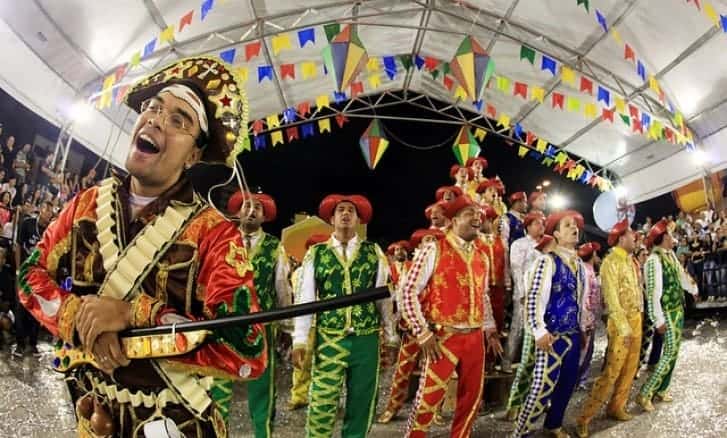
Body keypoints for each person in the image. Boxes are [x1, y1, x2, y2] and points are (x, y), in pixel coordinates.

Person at [18, 56, 270, 437]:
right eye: (153, 108)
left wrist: (135, 314)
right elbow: (28, 277)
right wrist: (81, 318)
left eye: (179, 120)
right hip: (94, 418)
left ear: (194, 155)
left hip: (176, 422)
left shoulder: (214, 234)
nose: (155, 119)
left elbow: (246, 351)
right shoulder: (86, 205)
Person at [292, 194, 397, 438]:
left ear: (359, 219)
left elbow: (384, 299)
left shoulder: (374, 252)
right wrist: (299, 339)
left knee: (362, 401)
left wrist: (391, 337)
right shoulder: (316, 254)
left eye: (351, 210)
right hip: (330, 338)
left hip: (366, 338)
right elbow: (305, 299)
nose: (346, 214)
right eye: (341, 210)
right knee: (322, 400)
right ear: (332, 217)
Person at [400, 195, 502, 438]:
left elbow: (483, 296)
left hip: (475, 338)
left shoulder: (482, 256)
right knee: (428, 399)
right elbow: (407, 291)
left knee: (471, 399)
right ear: (454, 220)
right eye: (470, 213)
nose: (478, 217)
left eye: (479, 214)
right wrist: (422, 332)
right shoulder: (434, 248)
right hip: (443, 337)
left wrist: (490, 329)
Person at [513, 210, 588, 438]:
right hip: (552, 337)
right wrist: (539, 331)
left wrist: (582, 328)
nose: (574, 229)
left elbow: (581, 301)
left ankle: (553, 424)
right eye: (567, 226)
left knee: (567, 384)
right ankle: (520, 432)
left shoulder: (579, 265)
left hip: (573, 334)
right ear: (555, 233)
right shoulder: (547, 261)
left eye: (575, 225)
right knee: (541, 387)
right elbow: (535, 297)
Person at [227, 190, 291, 438]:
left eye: (258, 208)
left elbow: (282, 288)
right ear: (238, 211)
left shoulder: (275, 247)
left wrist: (286, 328)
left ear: (265, 217)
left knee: (262, 389)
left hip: (261, 328)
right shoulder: (223, 242)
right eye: (247, 206)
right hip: (225, 326)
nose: (251, 211)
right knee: (218, 388)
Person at [577, 219, 643, 437]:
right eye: (632, 234)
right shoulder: (610, 262)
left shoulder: (631, 260)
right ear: (622, 237)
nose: (635, 238)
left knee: (630, 369)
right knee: (612, 371)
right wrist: (624, 328)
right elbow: (612, 300)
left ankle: (616, 406)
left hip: (636, 319)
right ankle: (584, 417)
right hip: (620, 323)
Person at [379, 228, 444, 424]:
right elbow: (402, 295)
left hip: (436, 328)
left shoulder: (442, 268)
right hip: (412, 329)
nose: (431, 243)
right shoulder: (412, 266)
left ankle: (434, 411)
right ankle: (393, 407)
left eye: (434, 240)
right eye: (427, 240)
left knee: (435, 371)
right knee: (403, 370)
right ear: (419, 245)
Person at [637, 219, 699, 412]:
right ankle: (645, 393)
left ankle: (662, 389)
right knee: (669, 352)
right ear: (663, 237)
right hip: (666, 313)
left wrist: (692, 288)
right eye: (671, 234)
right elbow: (653, 292)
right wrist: (658, 319)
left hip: (677, 310)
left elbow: (681, 275)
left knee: (673, 353)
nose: (673, 238)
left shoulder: (670, 255)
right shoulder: (653, 260)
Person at [503, 233, 555, 422]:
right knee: (526, 365)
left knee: (544, 368)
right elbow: (529, 299)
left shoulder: (555, 267)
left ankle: (538, 402)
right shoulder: (535, 268)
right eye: (552, 246)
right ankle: (514, 405)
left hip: (550, 327)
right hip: (533, 327)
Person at [288, 233, 330, 411]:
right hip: (307, 322)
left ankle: (324, 398)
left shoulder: (330, 271)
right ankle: (299, 396)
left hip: (328, 322)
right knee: (302, 362)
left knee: (327, 362)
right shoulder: (299, 272)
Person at [503, 211, 545, 374]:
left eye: (542, 223)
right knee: (518, 328)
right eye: (537, 223)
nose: (541, 226)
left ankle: (533, 365)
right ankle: (507, 360)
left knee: (538, 329)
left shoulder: (546, 245)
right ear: (527, 226)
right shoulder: (519, 244)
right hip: (525, 294)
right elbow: (516, 269)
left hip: (541, 295)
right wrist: (522, 293)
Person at [12, 200, 53, 357]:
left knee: (37, 309)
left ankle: (33, 344)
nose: (48, 213)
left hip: (40, 275)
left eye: (51, 211)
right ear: (40, 210)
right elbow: (18, 246)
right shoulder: (28, 223)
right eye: (46, 209)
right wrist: (17, 269)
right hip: (25, 272)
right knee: (22, 307)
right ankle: (20, 345)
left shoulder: (50, 230)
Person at [575, 242, 602, 388]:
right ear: (592, 255)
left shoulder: (589, 269)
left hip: (590, 316)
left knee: (588, 349)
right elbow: (584, 296)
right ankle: (578, 380)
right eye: (596, 254)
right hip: (586, 317)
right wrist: (584, 322)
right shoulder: (586, 272)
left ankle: (581, 379)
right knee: (584, 349)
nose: (597, 256)